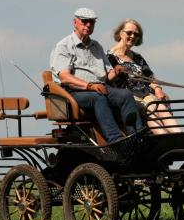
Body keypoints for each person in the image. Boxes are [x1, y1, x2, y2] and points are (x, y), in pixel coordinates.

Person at [50, 8, 144, 143]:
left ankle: (137, 137)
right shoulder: (64, 46)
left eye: (91, 22)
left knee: (125, 95)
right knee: (97, 97)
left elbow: (106, 76)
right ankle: (116, 140)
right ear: (75, 22)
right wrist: (90, 86)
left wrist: (116, 71)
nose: (88, 25)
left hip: (100, 87)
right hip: (75, 92)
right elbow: (64, 77)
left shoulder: (96, 46)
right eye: (84, 21)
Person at [107, 19, 182, 135]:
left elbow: (149, 77)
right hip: (128, 96)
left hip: (144, 93)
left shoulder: (137, 57)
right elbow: (108, 79)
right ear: (121, 33)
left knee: (160, 107)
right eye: (129, 33)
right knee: (150, 108)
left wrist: (157, 89)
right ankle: (162, 137)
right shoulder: (110, 57)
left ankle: (178, 135)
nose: (132, 36)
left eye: (136, 34)